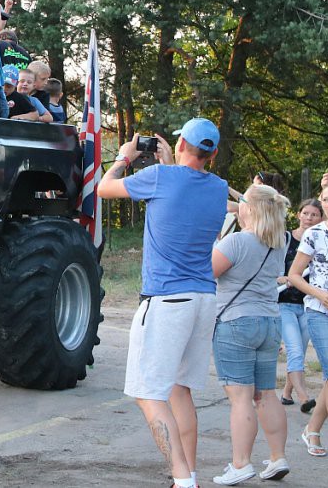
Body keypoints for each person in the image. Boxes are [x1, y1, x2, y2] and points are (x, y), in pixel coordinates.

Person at [96, 118, 228, 488]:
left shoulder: (160, 178)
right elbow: (186, 189)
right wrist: (170, 162)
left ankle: (183, 480)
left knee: (148, 394)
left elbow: (104, 190)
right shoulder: (219, 188)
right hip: (203, 297)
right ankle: (189, 473)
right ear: (213, 153)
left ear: (181, 142)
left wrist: (123, 157)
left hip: (167, 299)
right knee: (179, 390)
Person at [210, 184, 291, 484]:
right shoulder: (279, 240)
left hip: (236, 322)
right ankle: (277, 457)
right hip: (270, 322)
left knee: (241, 398)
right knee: (266, 394)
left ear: (249, 209)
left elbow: (209, 272)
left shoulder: (236, 243)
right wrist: (240, 197)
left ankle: (241, 463)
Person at [288, 183, 328, 462]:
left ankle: (312, 429)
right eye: (326, 199)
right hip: (318, 311)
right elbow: (294, 275)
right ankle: (313, 431)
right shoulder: (315, 234)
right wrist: (320, 294)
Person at [278, 198, 322, 411]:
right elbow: (269, 264)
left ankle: (287, 393)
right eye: (306, 213)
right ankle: (305, 399)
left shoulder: (320, 241)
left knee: (300, 351)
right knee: (294, 349)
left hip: (307, 304)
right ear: (298, 214)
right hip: (284, 303)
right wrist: (279, 278)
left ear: (320, 218)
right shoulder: (285, 238)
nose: (309, 218)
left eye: (314, 214)